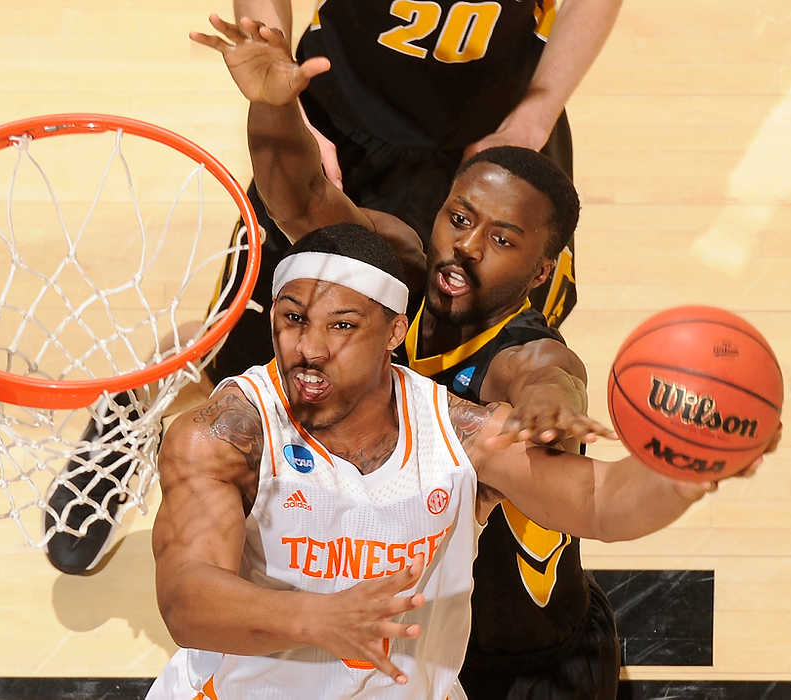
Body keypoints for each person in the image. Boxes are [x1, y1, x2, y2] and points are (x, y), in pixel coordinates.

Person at [146, 223, 766, 700]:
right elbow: (186, 600)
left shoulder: (459, 432)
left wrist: (689, 468)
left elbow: (602, 503)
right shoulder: (228, 431)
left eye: (341, 326)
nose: (309, 348)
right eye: (292, 320)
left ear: (392, 333)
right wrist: (318, 618)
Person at [196, 19, 621, 695]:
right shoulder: (405, 272)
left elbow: (549, 378)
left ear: (541, 273)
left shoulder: (524, 348)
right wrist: (272, 104)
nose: (467, 247)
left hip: (520, 658)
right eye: (459, 219)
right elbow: (306, 199)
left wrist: (550, 415)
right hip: (399, 640)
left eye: (501, 239)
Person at [204, 0, 623, 390]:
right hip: (339, 120)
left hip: (498, 151)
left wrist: (534, 118)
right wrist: (283, 107)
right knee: (249, 369)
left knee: (496, 383)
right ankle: (140, 418)